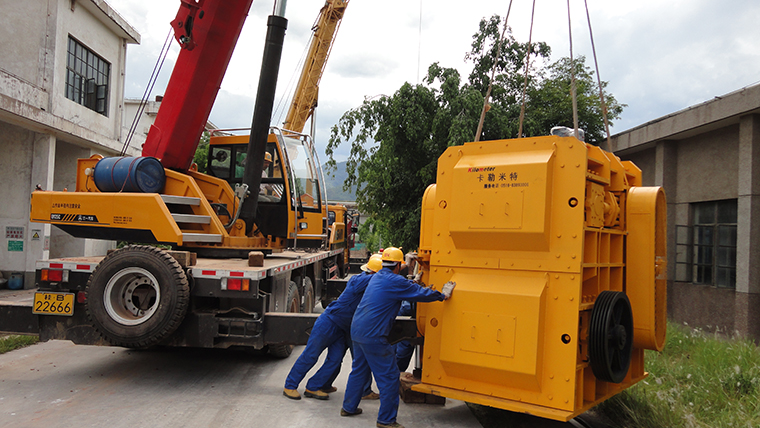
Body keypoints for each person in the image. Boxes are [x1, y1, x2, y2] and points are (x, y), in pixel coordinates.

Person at [340, 247, 456, 428]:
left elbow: (401, 287)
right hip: (374, 336)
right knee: (390, 377)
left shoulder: (377, 276)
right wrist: (442, 295)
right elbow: (420, 295)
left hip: (357, 331)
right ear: (398, 265)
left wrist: (413, 281)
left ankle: (348, 407)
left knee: (359, 371)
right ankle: (386, 420)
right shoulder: (394, 280)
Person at [282, 255, 383, 401]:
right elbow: (378, 280)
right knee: (311, 354)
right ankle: (290, 386)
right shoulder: (359, 280)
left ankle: (314, 386)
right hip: (329, 322)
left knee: (335, 359)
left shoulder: (373, 284)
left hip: (343, 327)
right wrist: (389, 274)